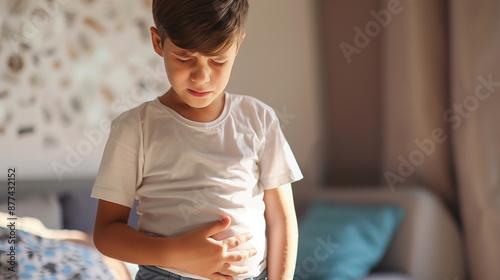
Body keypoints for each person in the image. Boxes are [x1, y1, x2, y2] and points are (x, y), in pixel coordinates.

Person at [91, 1, 303, 279]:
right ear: (158, 42)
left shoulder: (259, 119)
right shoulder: (135, 128)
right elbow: (106, 233)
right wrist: (179, 254)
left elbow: (281, 219)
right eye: (184, 58)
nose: (202, 77)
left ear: (237, 46)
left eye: (218, 60)